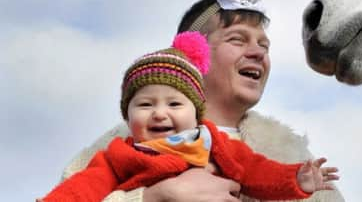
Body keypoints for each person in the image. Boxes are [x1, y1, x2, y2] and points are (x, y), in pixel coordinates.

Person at [58, 0, 345, 202]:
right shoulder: (119, 150)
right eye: (237, 39)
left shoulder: (293, 158)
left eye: (264, 44)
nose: (259, 53)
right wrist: (152, 197)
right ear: (195, 55)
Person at [40, 32, 338, 202]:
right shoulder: (118, 154)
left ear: (196, 113)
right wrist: (152, 197)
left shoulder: (216, 144)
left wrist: (294, 178)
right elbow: (79, 191)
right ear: (127, 116)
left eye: (174, 103)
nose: (159, 112)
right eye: (144, 105)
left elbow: (257, 172)